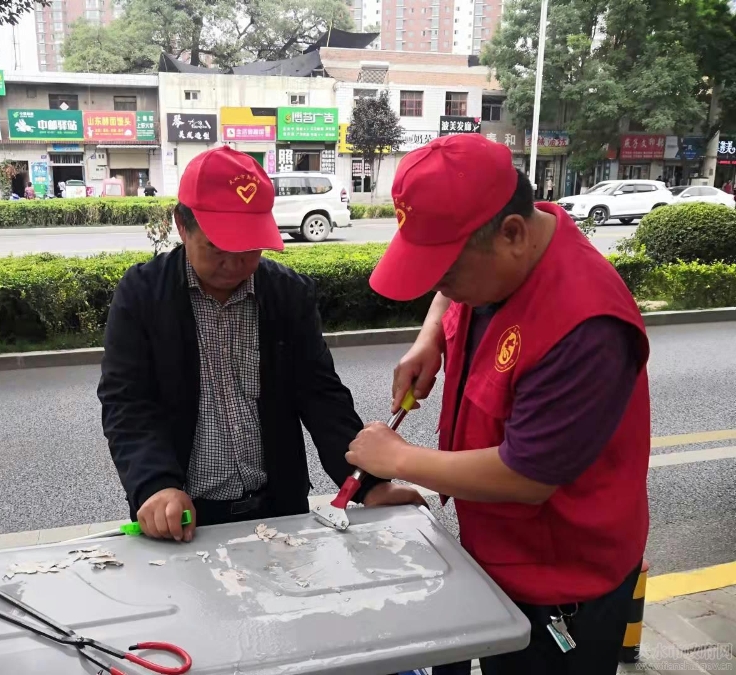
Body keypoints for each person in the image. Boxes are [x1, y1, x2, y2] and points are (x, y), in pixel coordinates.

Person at [346, 134, 650, 675]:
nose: (443, 286)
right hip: (496, 554)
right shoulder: (515, 245)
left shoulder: (586, 326)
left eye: (447, 272)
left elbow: (527, 477)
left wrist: (395, 458)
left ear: (511, 233)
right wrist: (431, 336)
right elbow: (451, 288)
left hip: (560, 582)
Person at [98, 146, 424, 541]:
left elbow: (321, 397)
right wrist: (154, 485)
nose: (235, 264)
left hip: (279, 506)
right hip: (183, 515)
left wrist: (369, 485)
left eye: (249, 248)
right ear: (182, 226)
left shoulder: (288, 294)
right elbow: (127, 402)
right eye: (218, 248)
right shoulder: (143, 295)